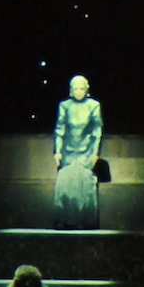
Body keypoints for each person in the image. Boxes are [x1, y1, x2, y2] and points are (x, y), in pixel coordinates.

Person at [53, 75, 103, 228]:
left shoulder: (93, 105)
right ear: (71, 90)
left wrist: (95, 153)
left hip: (86, 151)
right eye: (76, 89)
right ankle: (63, 220)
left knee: (85, 186)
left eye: (82, 88)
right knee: (65, 185)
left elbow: (97, 131)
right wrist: (57, 151)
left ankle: (86, 221)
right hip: (68, 151)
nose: (79, 91)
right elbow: (60, 129)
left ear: (86, 90)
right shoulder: (65, 105)